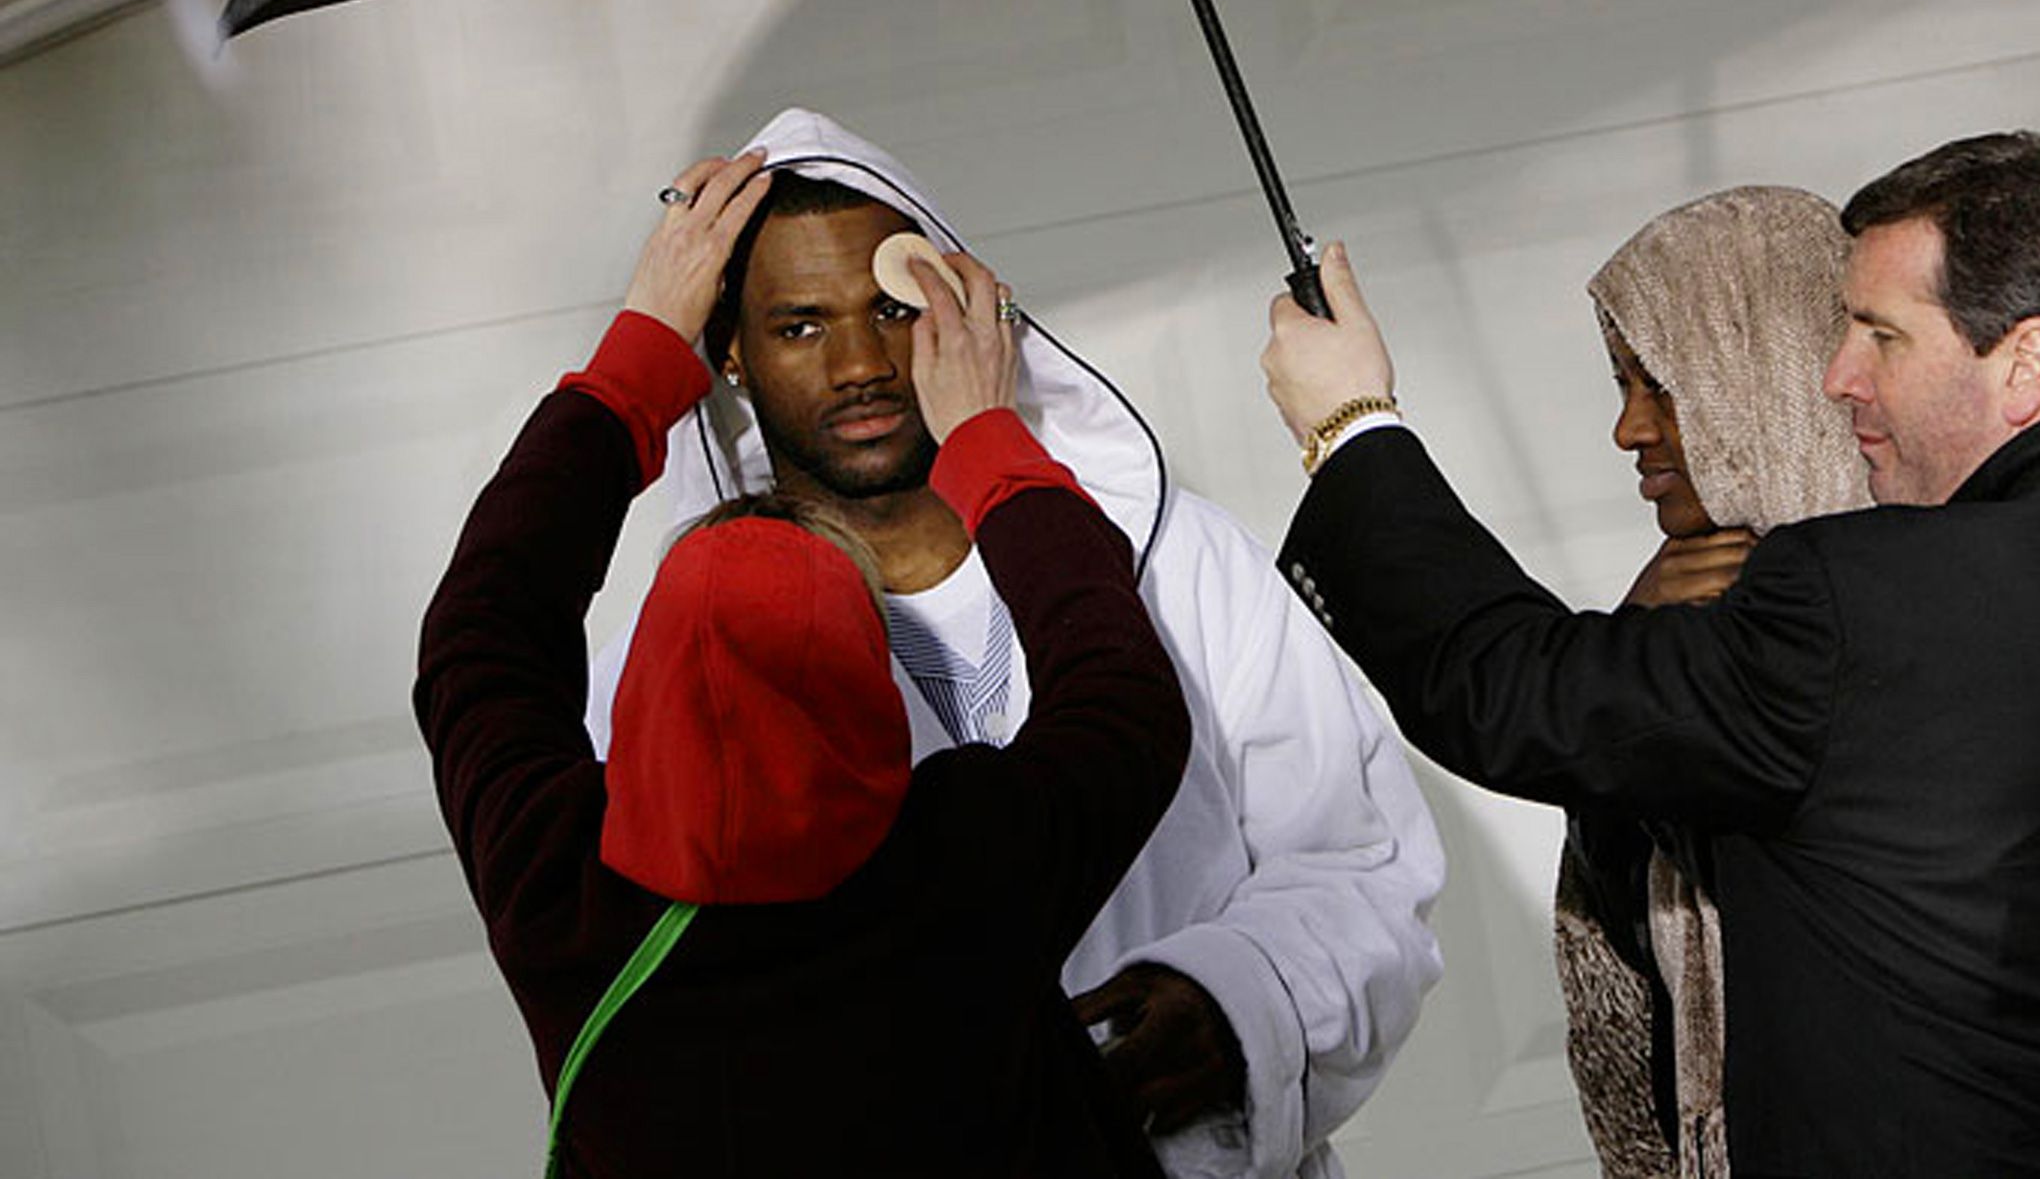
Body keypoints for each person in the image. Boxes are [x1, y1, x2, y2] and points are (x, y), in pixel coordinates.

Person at [1262, 132, 2040, 1177]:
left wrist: (1350, 424)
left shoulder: (1843, 602)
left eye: (1879, 334)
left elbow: (1513, 692)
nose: (1832, 376)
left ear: (2026, 361)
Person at [584, 109, 1444, 1179]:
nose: (858, 361)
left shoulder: (1175, 560)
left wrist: (1240, 1000)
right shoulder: (680, 663)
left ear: (966, 315)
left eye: (895, 308)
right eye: (801, 325)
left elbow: (1361, 860)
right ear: (733, 359)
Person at [415, 150, 1191, 1175]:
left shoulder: (556, 890)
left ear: (644, 687)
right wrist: (989, 443)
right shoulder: (968, 864)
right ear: (871, 687)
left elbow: (483, 624)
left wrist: (633, 364)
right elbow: (1122, 691)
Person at [1558, 188, 1870, 1179]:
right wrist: (1633, 659)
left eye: (1662, 384)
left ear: (1763, 372)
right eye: (1621, 385)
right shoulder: (1670, 620)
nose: (1630, 430)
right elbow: (1616, 941)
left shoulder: (1916, 604)